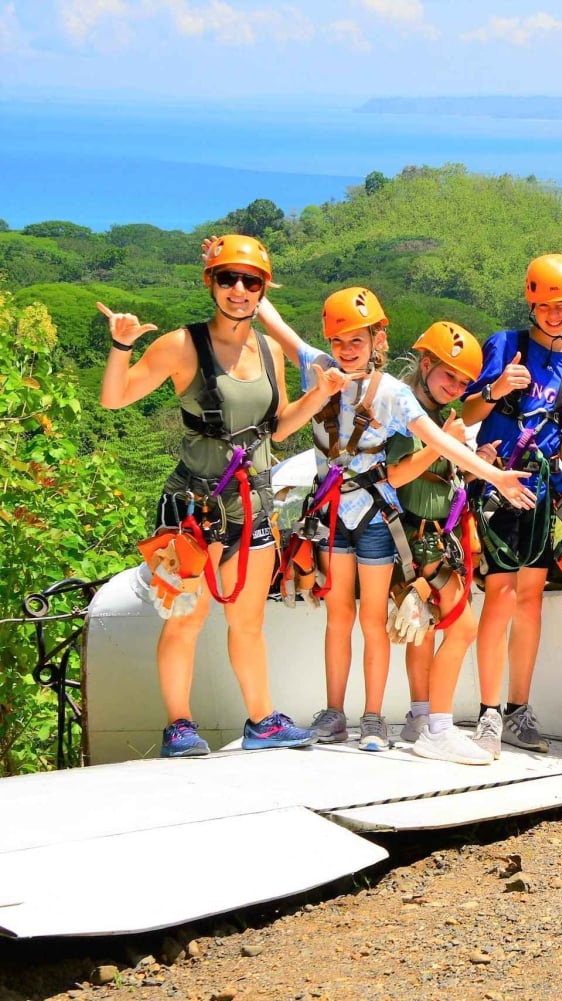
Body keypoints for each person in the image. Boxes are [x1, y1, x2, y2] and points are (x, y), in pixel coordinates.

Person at [255, 291, 534, 753]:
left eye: (357, 340)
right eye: (339, 340)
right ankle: (335, 713)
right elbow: (276, 327)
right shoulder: (319, 368)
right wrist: (252, 286)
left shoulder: (393, 394)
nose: (347, 349)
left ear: (376, 340)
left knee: (370, 619)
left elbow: (439, 442)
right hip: (331, 514)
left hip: (374, 516)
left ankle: (372, 718)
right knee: (338, 616)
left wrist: (494, 476)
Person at [97, 235, 342, 756]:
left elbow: (277, 429)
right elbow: (115, 399)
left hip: (252, 507)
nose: (239, 289)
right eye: (228, 278)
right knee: (184, 618)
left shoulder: (269, 350)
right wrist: (121, 347)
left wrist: (318, 396)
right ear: (210, 282)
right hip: (194, 507)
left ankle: (262, 721)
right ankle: (179, 727)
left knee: (247, 623)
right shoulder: (183, 345)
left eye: (250, 281)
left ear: (263, 289)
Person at [462, 254, 562, 757]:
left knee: (530, 602)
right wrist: (497, 389)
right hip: (501, 485)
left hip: (543, 490)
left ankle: (518, 710)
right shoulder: (505, 345)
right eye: (545, 306)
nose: (554, 314)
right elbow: (468, 412)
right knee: (499, 595)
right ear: (532, 306)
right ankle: (489, 712)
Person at [386, 321, 493, 765]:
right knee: (463, 628)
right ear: (426, 364)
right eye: (450, 375)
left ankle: (421, 716)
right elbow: (397, 475)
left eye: (464, 382)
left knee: (424, 630)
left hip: (429, 539)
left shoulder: (431, 416)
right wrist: (444, 444)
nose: (456, 387)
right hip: (418, 539)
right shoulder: (407, 416)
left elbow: (434, 472)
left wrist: (468, 461)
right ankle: (439, 729)